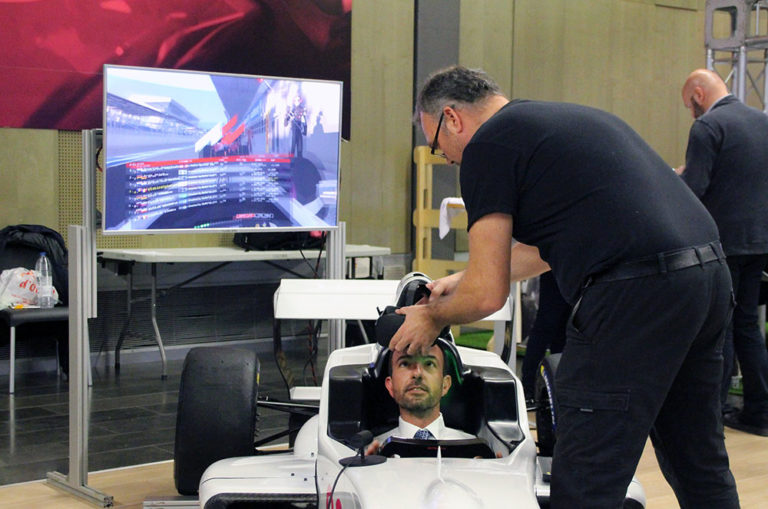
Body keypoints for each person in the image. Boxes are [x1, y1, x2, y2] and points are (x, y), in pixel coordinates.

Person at [391, 65, 739, 508]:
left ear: (452, 118)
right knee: (697, 460)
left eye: (439, 147)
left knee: (587, 475)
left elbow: (486, 296)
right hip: (708, 276)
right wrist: (462, 279)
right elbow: (549, 245)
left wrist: (430, 317)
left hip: (635, 292)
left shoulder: (487, 147)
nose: (448, 160)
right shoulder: (562, 121)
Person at [676, 68, 768, 437]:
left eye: (689, 104)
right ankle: (760, 412)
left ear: (698, 94)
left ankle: (713, 412)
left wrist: (674, 182)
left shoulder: (708, 127)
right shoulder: (762, 122)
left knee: (721, 327)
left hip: (723, 243)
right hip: (760, 241)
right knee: (748, 326)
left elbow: (694, 189)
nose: (691, 112)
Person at [366, 344, 474, 455]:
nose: (417, 373)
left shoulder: (474, 450)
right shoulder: (369, 453)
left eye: (429, 363)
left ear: (445, 385)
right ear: (390, 386)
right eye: (405, 363)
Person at [520, 271, 569, 404]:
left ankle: (554, 389)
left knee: (561, 331)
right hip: (557, 270)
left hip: (570, 273)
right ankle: (528, 388)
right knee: (546, 326)